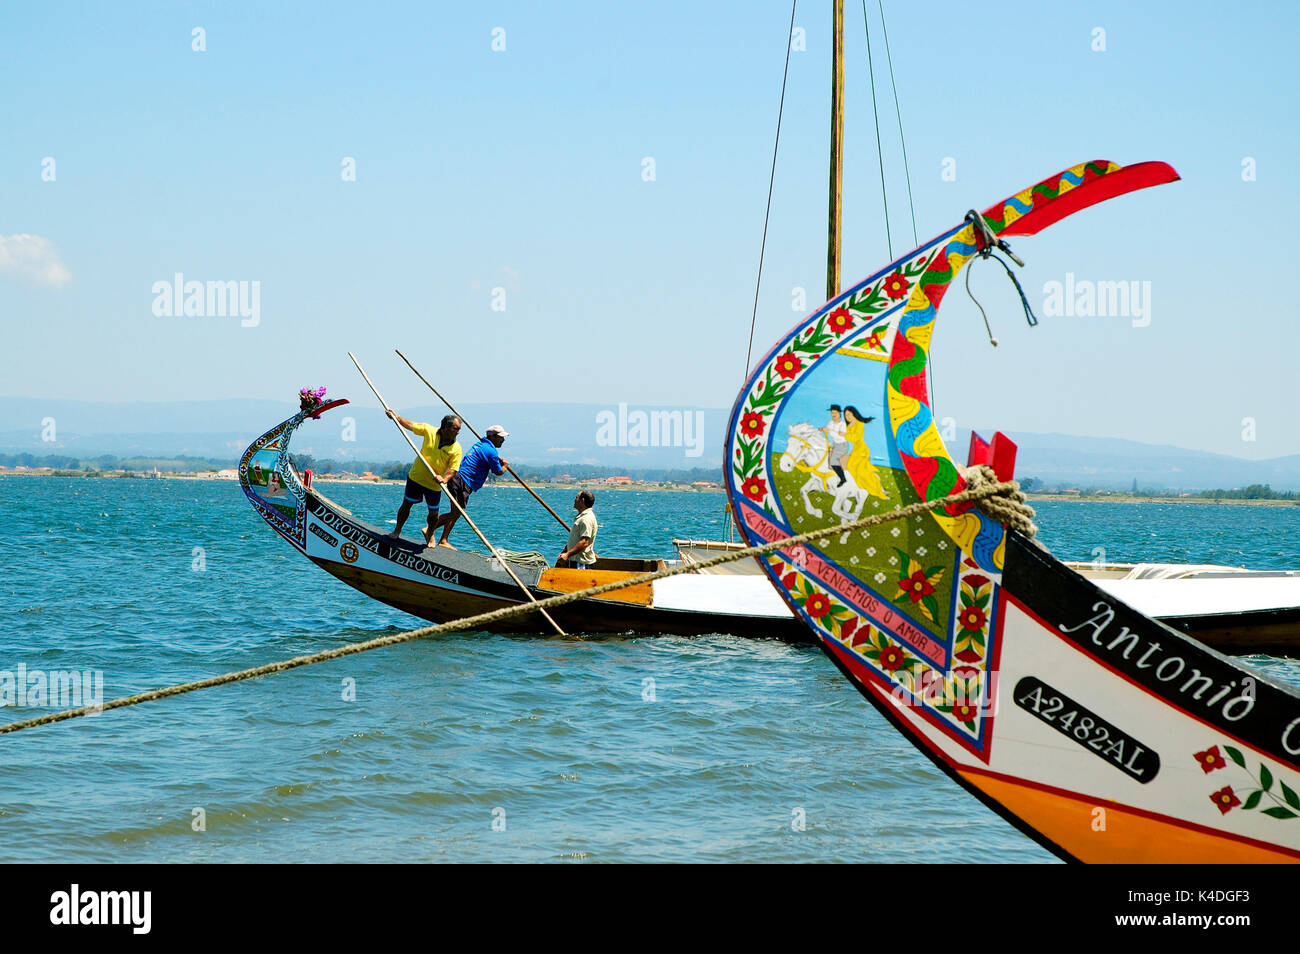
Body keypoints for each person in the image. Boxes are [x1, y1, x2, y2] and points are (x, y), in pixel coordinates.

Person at [429, 424, 509, 548]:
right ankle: (436, 535)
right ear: (492, 437)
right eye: (500, 437)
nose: (503, 440)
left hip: (457, 479)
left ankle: (440, 537)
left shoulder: (480, 445)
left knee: (456, 512)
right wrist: (505, 466)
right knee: (456, 512)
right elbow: (498, 472)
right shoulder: (491, 451)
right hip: (462, 481)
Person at [389, 412, 462, 544]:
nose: (458, 432)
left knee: (434, 514)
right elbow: (411, 425)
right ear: (446, 427)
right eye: (455, 429)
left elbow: (453, 469)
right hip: (416, 478)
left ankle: (430, 533)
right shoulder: (430, 431)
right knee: (406, 505)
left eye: (459, 429)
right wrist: (397, 418)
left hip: (434, 484)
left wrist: (444, 479)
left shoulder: (456, 448)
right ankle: (397, 530)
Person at [842, 405, 888, 500]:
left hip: (862, 451)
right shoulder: (848, 425)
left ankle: (876, 490)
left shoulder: (859, 423)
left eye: (850, 414)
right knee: (852, 467)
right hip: (856, 450)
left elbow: (856, 437)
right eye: (846, 415)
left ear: (854, 414)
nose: (848, 417)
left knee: (859, 470)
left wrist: (845, 435)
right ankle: (864, 487)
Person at [557, 490, 598, 568]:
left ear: (582, 500)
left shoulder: (586, 518)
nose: (574, 500)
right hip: (575, 560)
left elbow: (584, 542)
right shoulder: (582, 517)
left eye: (576, 497)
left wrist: (567, 554)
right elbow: (578, 537)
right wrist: (568, 548)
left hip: (581, 563)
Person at [823, 404, 848, 483]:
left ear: (839, 413)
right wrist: (821, 429)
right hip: (834, 443)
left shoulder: (842, 424)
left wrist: (828, 430)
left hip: (842, 445)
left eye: (835, 413)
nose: (833, 415)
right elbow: (827, 429)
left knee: (833, 461)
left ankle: (843, 478)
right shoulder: (830, 422)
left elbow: (840, 434)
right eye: (832, 413)